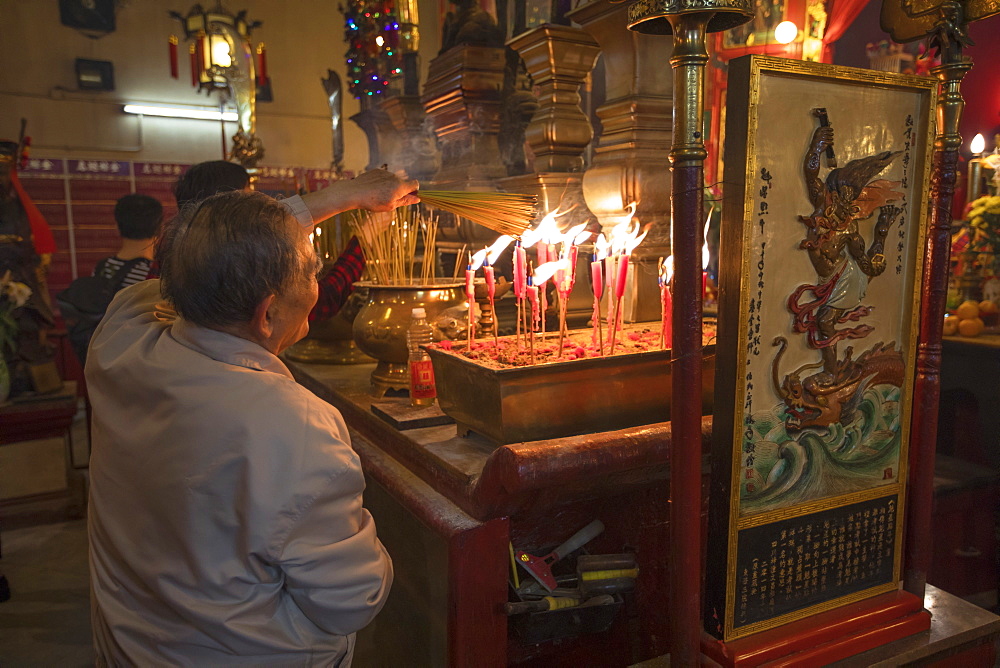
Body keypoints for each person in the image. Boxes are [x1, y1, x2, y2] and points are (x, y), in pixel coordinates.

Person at [86, 169, 419, 665]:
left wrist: (345, 197)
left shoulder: (122, 332)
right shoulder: (294, 423)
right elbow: (350, 600)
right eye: (311, 271)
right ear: (266, 314)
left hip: (131, 649)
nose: (316, 282)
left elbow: (209, 248)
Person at [174, 160, 368, 323]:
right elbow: (321, 302)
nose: (261, 205)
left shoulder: (179, 256)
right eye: (250, 200)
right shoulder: (231, 264)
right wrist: (365, 237)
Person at [0, 139, 57, 394]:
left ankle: (31, 376)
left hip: (23, 273)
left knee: (30, 327)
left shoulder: (18, 204)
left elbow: (34, 239)